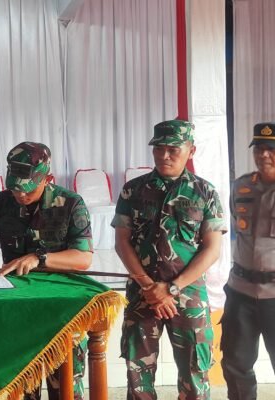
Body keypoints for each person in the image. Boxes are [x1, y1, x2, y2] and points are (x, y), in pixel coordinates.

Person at [0, 141, 94, 400]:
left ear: (47, 178)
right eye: (15, 189)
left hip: (61, 305)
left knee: (65, 388)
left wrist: (39, 259)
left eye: (28, 189)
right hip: (17, 305)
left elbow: (83, 258)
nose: (21, 195)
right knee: (20, 387)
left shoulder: (71, 203)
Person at [112, 120, 225, 399]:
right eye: (159, 148)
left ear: (191, 151)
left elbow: (212, 249)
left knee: (195, 377)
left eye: (173, 149)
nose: (164, 155)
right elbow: (122, 242)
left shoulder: (205, 192)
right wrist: (149, 288)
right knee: (138, 378)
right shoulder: (133, 190)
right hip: (143, 295)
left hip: (188, 296)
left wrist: (171, 288)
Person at [221, 122, 275, 399]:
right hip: (241, 292)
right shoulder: (242, 186)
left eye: (271, 148)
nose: (263, 154)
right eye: (259, 148)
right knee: (235, 364)